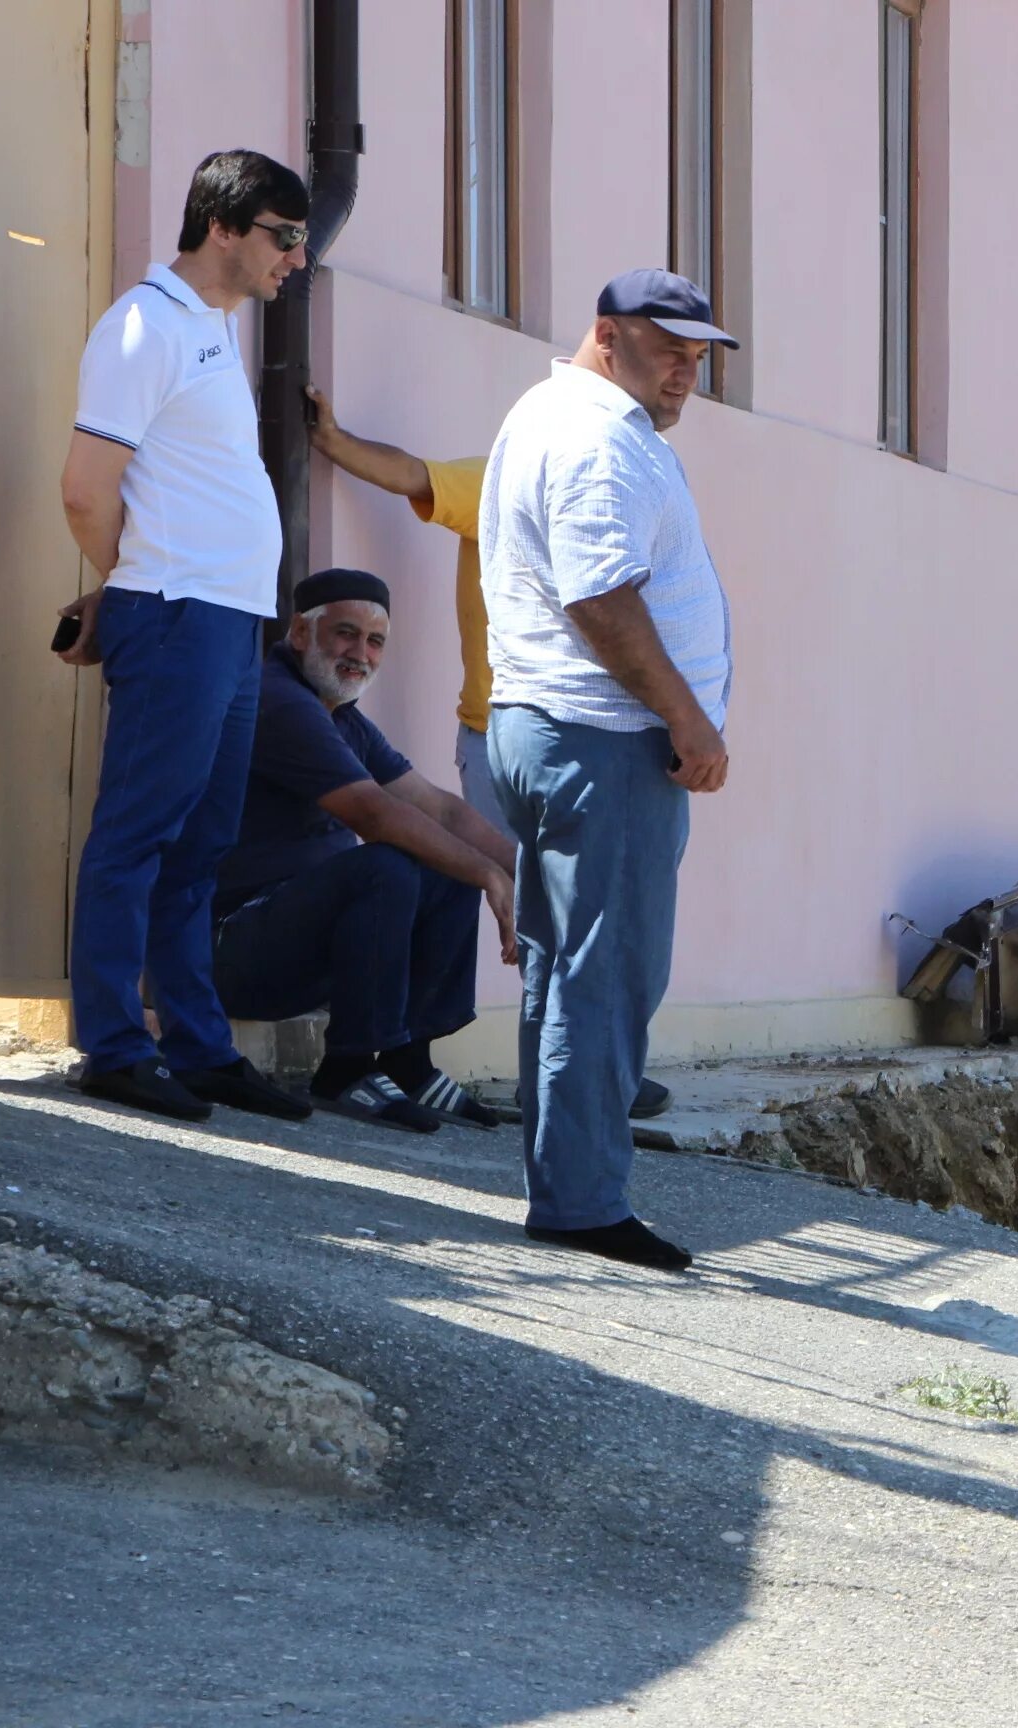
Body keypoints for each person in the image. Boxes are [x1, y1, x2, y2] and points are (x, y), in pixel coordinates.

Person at [301, 389, 672, 1121]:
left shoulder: (615, 509)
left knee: (588, 908)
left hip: (595, 740)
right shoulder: (500, 480)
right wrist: (336, 442)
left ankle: (587, 1071)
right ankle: (567, 1079)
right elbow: (414, 475)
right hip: (505, 738)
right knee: (537, 903)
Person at [55, 150, 318, 1125]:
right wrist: (126, 588)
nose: (297, 258)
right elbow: (88, 488)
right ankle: (114, 1045)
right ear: (225, 227)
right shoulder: (142, 327)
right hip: (176, 615)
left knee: (202, 844)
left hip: (226, 622)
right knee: (139, 834)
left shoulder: (209, 329)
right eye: (285, 237)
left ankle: (197, 1048)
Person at [481, 270, 734, 1272]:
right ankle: (583, 1202)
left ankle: (571, 1184)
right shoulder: (597, 439)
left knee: (568, 969)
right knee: (604, 972)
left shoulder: (567, 418)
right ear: (605, 335)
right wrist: (689, 722)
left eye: (697, 355)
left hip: (561, 730)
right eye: (667, 348)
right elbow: (603, 601)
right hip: (601, 739)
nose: (685, 371)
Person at [211, 569, 521, 1133]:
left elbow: (440, 810)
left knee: (443, 863)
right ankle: (345, 1069)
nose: (361, 653)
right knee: (388, 864)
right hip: (237, 943)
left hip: (303, 943)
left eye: (375, 641)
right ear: (301, 634)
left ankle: (408, 1064)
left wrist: (525, 876)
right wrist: (487, 874)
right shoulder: (279, 700)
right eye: (345, 634)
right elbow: (373, 815)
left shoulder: (341, 717)